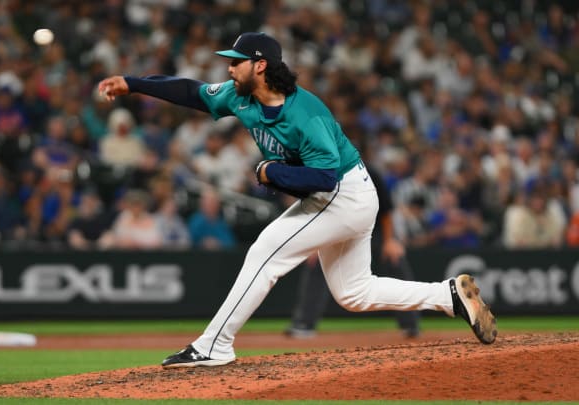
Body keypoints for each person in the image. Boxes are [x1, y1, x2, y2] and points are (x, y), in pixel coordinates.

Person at [96, 32, 497, 369]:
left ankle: (213, 344)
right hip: (342, 193)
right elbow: (191, 92)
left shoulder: (306, 114)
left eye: (237, 61)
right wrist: (134, 84)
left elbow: (322, 179)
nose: (229, 67)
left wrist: (270, 173)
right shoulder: (240, 96)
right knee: (354, 293)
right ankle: (446, 296)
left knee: (266, 251)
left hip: (343, 194)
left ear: (260, 66)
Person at [286, 163, 420, 339]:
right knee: (316, 261)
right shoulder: (324, 174)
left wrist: (389, 241)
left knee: (395, 259)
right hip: (339, 230)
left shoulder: (370, 172)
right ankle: (304, 324)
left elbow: (386, 210)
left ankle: (410, 325)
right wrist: (316, 245)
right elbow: (318, 213)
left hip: (373, 231)